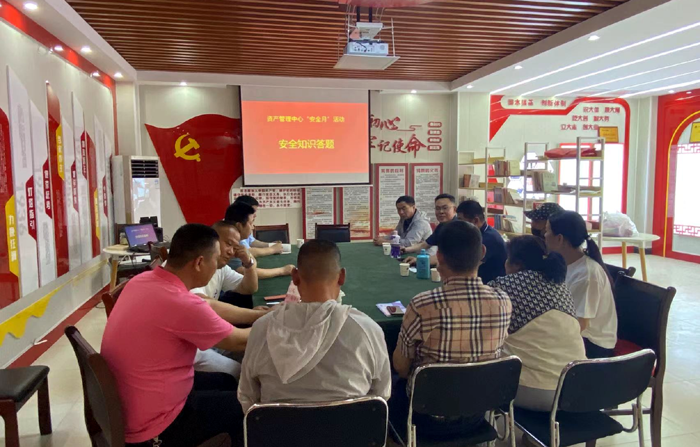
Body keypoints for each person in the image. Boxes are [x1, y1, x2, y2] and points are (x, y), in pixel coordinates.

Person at [102, 224, 248, 446]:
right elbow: (238, 341)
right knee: (247, 409)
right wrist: (279, 320)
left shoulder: (142, 280)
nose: (219, 265)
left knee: (226, 380)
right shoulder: (180, 302)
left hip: (134, 399)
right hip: (155, 424)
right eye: (216, 259)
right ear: (199, 263)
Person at [238, 239, 391, 412]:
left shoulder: (262, 328)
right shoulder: (367, 330)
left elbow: (247, 396)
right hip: (350, 428)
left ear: (295, 277)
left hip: (277, 428)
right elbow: (381, 396)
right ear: (342, 276)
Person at [391, 221, 512, 437]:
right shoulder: (503, 300)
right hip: (479, 410)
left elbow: (401, 367)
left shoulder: (423, 304)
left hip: (426, 417)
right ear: (482, 252)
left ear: (439, 257)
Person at [488, 235, 585, 411]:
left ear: (516, 264)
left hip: (531, 391)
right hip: (574, 388)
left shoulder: (503, 286)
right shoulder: (560, 285)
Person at [191, 220, 266, 379]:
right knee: (243, 371)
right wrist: (261, 317)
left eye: (235, 247)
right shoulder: (188, 273)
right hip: (194, 351)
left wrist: (249, 264)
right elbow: (205, 305)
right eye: (228, 244)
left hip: (205, 340)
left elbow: (248, 288)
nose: (231, 252)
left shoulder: (219, 267)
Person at [545, 211, 618, 358]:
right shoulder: (565, 263)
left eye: (547, 231)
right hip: (574, 332)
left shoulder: (587, 274)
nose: (544, 236)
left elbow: (580, 324)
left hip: (592, 344)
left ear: (559, 239)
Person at [225, 199, 294, 279]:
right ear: (239, 226)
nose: (253, 227)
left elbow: (252, 264)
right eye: (251, 223)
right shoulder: (230, 245)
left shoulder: (236, 241)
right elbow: (245, 271)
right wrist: (282, 271)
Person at [456, 199, 507, 284]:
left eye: (461, 221)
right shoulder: (475, 233)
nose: (458, 225)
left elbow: (467, 268)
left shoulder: (489, 238)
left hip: (492, 285)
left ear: (475, 220)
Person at [402, 193, 458, 265]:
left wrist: (419, 260)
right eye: (437, 208)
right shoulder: (441, 226)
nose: (441, 212)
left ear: (454, 209)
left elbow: (449, 256)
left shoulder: (459, 228)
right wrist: (405, 250)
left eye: (445, 208)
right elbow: (425, 245)